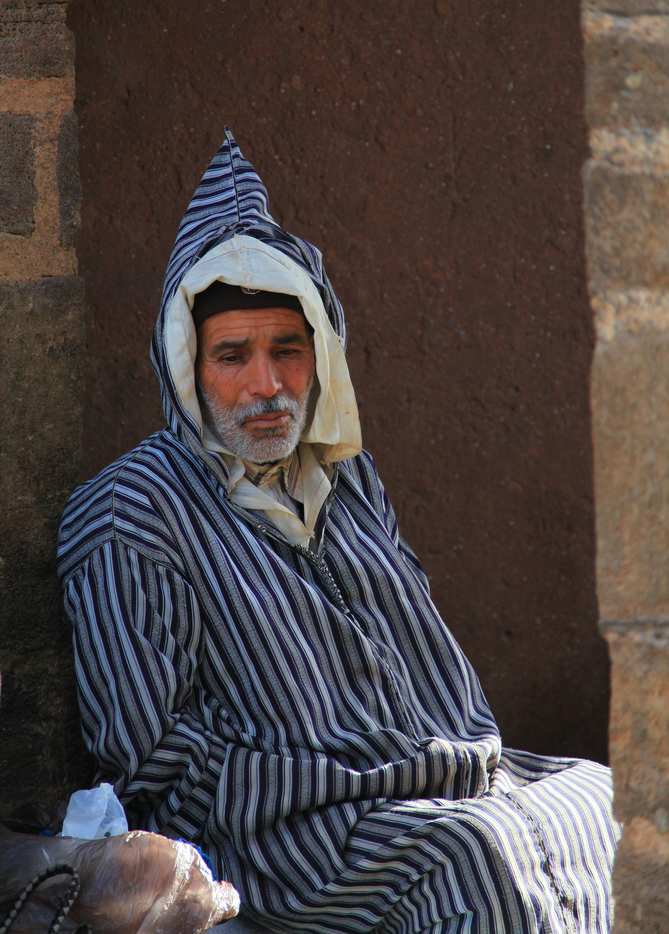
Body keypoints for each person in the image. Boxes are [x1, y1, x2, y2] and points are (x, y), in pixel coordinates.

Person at [58, 130, 618, 934]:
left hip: (439, 779)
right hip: (291, 833)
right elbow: (147, 763)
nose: (267, 384)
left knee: (609, 805)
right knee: (475, 863)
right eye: (232, 355)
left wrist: (432, 762)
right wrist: (322, 780)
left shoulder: (344, 476)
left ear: (322, 353)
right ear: (186, 367)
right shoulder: (132, 509)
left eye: (288, 349)